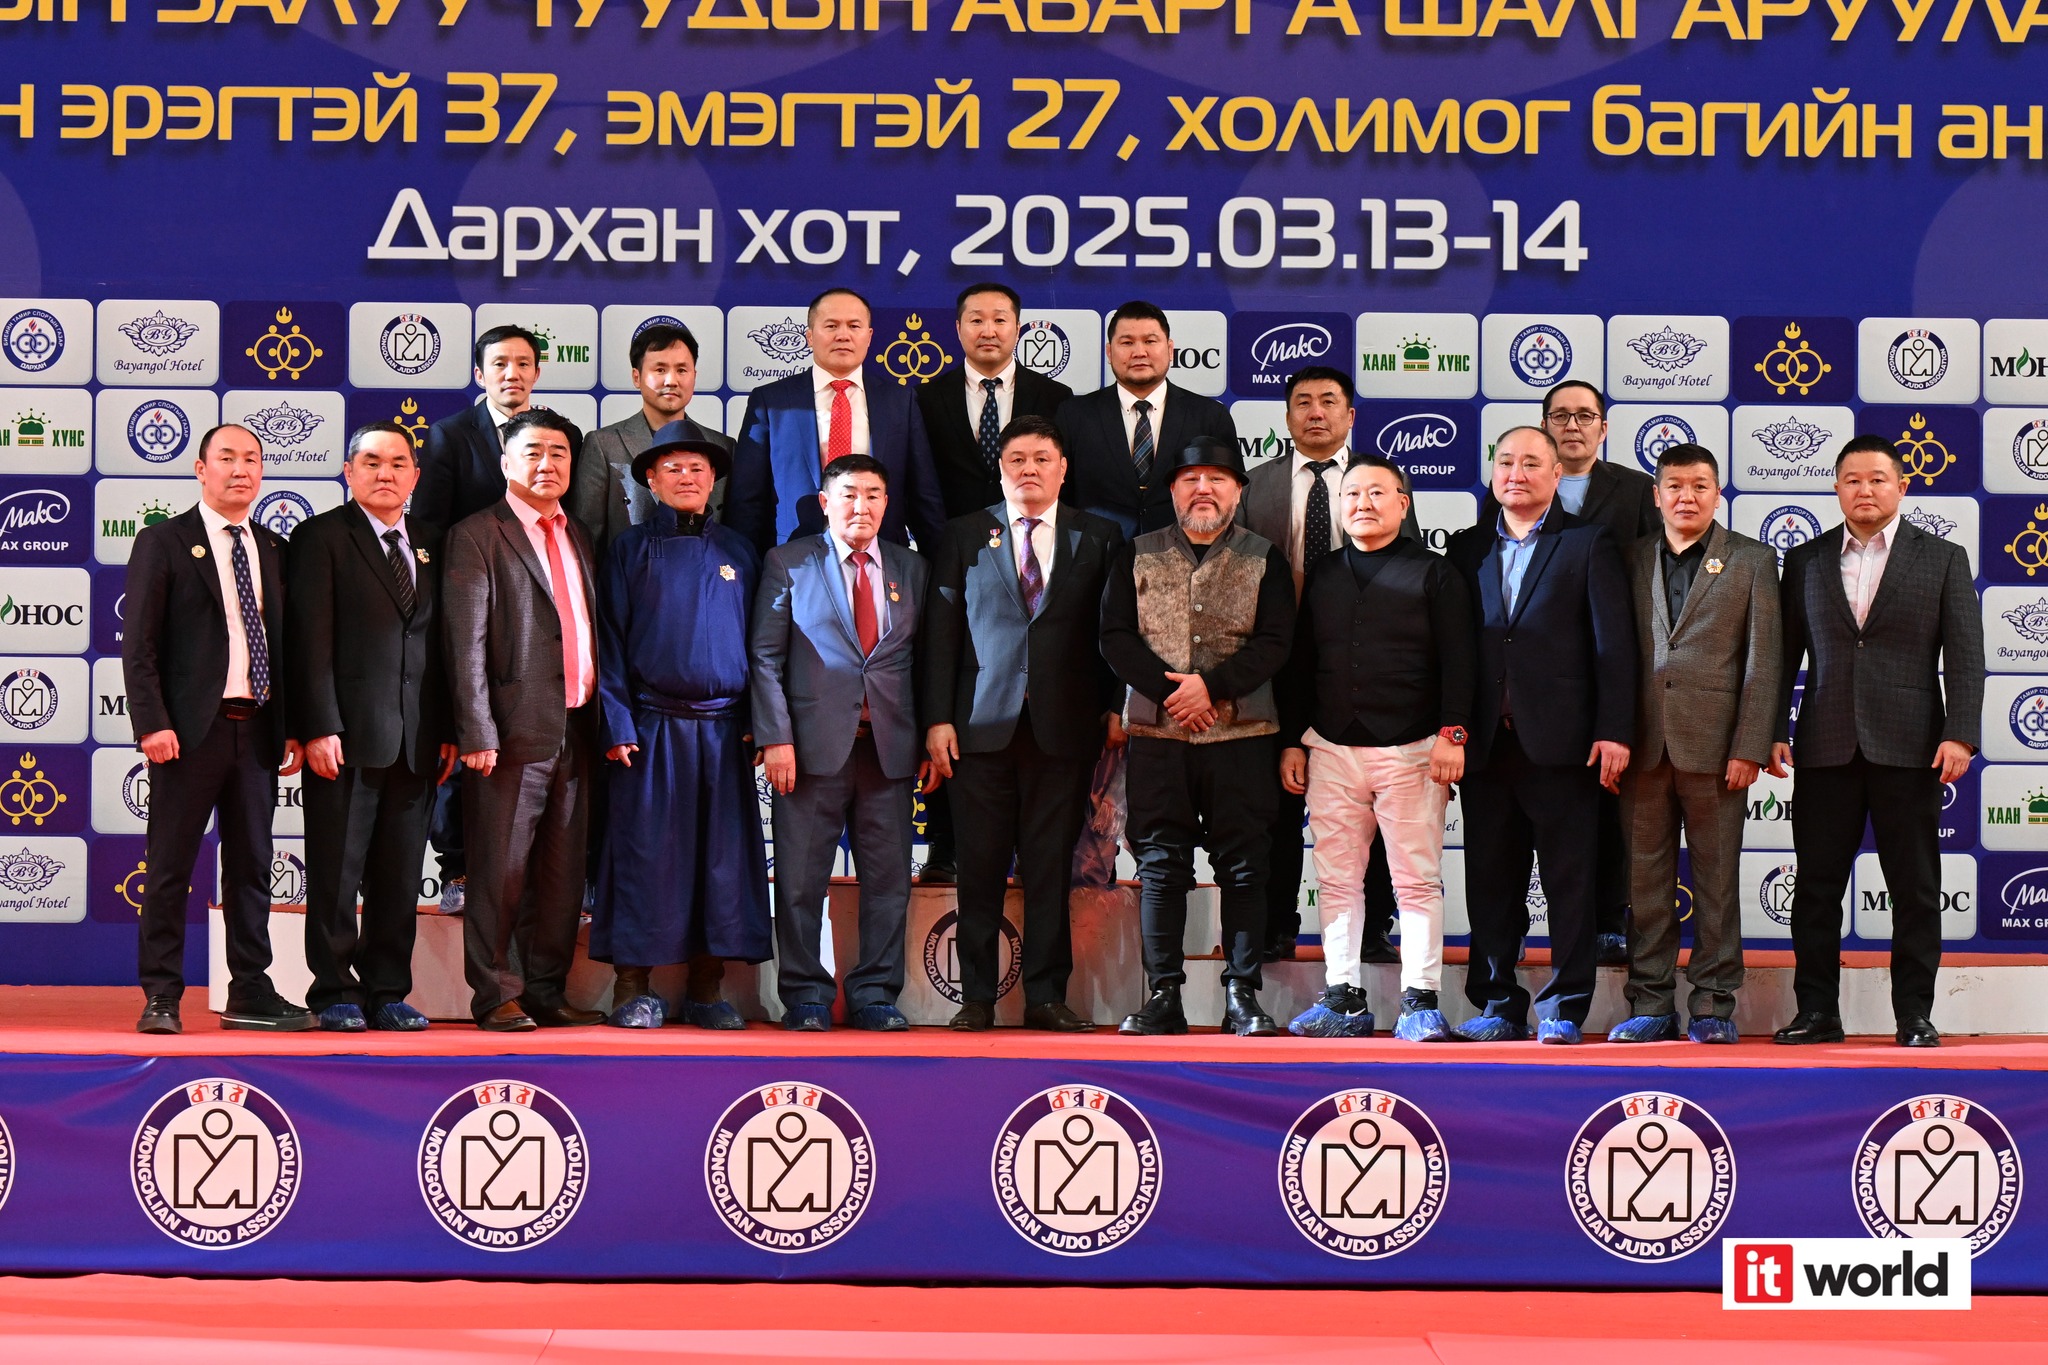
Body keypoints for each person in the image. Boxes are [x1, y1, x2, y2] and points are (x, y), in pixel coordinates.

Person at [1771, 435, 1983, 1048]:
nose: (1865, 490)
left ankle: (1914, 1015)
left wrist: (1961, 734)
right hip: (1825, 745)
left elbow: (1966, 656)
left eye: (1877, 479)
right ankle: (1817, 1013)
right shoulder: (1805, 559)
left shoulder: (1942, 557)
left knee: (1914, 889)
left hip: (1911, 747)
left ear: (1901, 487)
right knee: (1815, 889)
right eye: (1852, 480)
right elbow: (1782, 657)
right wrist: (1772, 731)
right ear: (1837, 488)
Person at [920, 415, 1123, 1032]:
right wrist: (937, 719)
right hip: (979, 728)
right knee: (978, 867)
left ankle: (1046, 996)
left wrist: (1116, 706)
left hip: (1064, 730)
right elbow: (941, 633)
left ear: (1063, 469)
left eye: (1041, 459)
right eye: (1017, 460)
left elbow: (1114, 632)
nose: (1029, 469)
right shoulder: (964, 534)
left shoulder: (1099, 536)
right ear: (1001, 469)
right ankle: (976, 997)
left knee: (1049, 869)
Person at [1444, 426, 1636, 1044]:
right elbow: (1455, 651)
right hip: (1486, 745)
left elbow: (1614, 647)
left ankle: (1564, 1007)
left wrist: (1614, 729)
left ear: (1557, 475)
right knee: (1490, 882)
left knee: (1569, 883)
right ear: (1492, 472)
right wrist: (1450, 731)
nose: (1516, 473)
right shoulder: (1467, 547)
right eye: (1505, 461)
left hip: (1564, 744)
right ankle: (1497, 1004)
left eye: (1531, 463)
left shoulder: (1587, 542)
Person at [1101, 436, 1295, 1037]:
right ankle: (1164, 995)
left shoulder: (1266, 557)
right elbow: (1115, 637)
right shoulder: (1136, 553)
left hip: (1243, 736)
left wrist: (1210, 688)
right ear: (1173, 491)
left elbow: (1276, 642)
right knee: (1161, 866)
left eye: (1217, 479)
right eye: (1190, 479)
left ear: (1238, 491)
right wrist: (1172, 695)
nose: (1203, 489)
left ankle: (1242, 994)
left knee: (1245, 866)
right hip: (1158, 736)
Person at [1279, 456, 1475, 1041]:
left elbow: (1461, 660)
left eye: (1376, 493)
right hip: (1330, 748)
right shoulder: (1323, 572)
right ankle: (1342, 997)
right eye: (1352, 494)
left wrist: (1453, 734)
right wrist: (1293, 740)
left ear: (1402, 503)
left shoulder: (1435, 573)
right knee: (1337, 879)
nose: (1362, 503)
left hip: (1413, 749)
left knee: (1416, 880)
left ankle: (1421, 1000)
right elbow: (1302, 664)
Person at [123, 423, 310, 1034]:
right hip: (188, 734)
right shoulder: (164, 541)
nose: (240, 469)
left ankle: (250, 989)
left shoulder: (275, 547)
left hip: (256, 731)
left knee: (253, 867)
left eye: (252, 459)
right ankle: (161, 995)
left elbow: (285, 648)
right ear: (201, 469)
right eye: (226, 458)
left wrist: (290, 725)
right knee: (170, 868)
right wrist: (152, 723)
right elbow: (139, 644)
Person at [592, 425, 770, 1030]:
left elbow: (762, 647)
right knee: (645, 856)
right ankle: (631, 986)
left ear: (714, 478)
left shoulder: (741, 551)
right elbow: (608, 644)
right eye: (673, 468)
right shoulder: (629, 550)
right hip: (651, 729)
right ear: (650, 479)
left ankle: (706, 987)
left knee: (720, 863)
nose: (687, 477)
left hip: (724, 731)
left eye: (697, 467)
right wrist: (617, 721)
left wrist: (757, 722)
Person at [1237, 365, 1416, 965]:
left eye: (1329, 402)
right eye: (1303, 402)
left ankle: (1373, 927)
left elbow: (1407, 568)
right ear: (1287, 416)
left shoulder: (1380, 482)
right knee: (1276, 802)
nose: (1316, 412)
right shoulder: (1255, 485)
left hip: (1360, 667)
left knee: (1374, 805)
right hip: (1273, 664)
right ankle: (1274, 925)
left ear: (1350, 415)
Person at [285, 422, 458, 1033]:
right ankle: (333, 989)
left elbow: (442, 647)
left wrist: (448, 729)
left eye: (398, 463)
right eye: (372, 462)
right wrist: (318, 726)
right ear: (348, 471)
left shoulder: (433, 542)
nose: (386, 473)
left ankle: (387, 989)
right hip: (345, 738)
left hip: (417, 740)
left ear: (415, 475)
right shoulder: (321, 537)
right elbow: (308, 642)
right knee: (336, 873)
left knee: (399, 876)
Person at [749, 455, 931, 1032]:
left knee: (889, 883)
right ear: (826, 503)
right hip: (809, 752)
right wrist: (776, 737)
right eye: (850, 494)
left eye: (874, 494)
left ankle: (875, 994)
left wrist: (928, 735)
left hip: (889, 750)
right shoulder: (789, 562)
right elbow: (765, 657)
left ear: (887, 503)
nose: (862, 506)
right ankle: (806, 995)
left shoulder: (911, 567)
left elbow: (925, 659)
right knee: (800, 883)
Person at [1480, 379, 1658, 964]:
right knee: (1500, 862)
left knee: (1599, 832)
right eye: (1560, 415)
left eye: (1585, 415)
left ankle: (1607, 926)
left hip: (1593, 687)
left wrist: (1616, 718)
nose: (1573, 425)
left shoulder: (1634, 492)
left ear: (1603, 428)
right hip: (1511, 711)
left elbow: (1642, 592)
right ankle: (1501, 976)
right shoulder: (1498, 506)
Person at [1608, 445, 1780, 1045]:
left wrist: (1750, 744)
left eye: (1700, 485)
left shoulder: (1752, 559)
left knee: (1716, 882)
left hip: (1718, 750)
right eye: (1675, 486)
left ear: (1717, 493)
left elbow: (1764, 660)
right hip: (1641, 748)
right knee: (1644, 884)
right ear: (1656, 495)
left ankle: (1713, 1004)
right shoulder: (1629, 557)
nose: (1687, 496)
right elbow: (1611, 654)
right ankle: (1651, 1002)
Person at [442, 410, 606, 1031]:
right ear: (506, 461)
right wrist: (477, 730)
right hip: (510, 733)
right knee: (500, 872)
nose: (548, 464)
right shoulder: (477, 533)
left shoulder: (578, 533)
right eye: (533, 452)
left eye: (559, 453)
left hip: (578, 727)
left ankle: (544, 988)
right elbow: (465, 644)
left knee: (561, 875)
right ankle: (494, 994)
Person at [414, 324, 583, 916]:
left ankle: (534, 875)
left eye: (523, 363)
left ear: (537, 372)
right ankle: (456, 868)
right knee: (466, 738)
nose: (513, 373)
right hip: (468, 603)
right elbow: (429, 528)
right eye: (500, 364)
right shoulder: (449, 435)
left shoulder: (558, 434)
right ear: (480, 374)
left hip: (535, 617)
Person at [914, 282, 1076, 884]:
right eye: (976, 319)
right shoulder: (924, 398)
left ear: (1018, 329)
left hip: (1035, 563)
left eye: (1001, 319)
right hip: (952, 562)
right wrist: (940, 549)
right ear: (958, 329)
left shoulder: (1055, 398)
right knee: (954, 698)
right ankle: (945, 845)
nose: (989, 330)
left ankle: (1035, 853)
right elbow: (917, 482)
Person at [725, 288, 947, 556]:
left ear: (869, 336)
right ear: (809, 336)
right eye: (831, 326)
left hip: (882, 556)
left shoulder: (900, 400)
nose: (843, 335)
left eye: (854, 326)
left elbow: (923, 495)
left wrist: (939, 565)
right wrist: (745, 566)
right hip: (795, 558)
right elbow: (747, 498)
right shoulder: (772, 401)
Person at [1057, 302, 1236, 538]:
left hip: (1185, 551)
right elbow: (1060, 495)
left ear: (1170, 349)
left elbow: (1230, 498)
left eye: (1150, 341)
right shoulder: (1074, 415)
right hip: (1097, 552)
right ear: (1109, 352)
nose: (1139, 352)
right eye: (1127, 342)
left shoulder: (1210, 416)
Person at [567, 322, 734, 554]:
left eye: (682, 370)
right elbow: (586, 537)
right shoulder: (604, 445)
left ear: (694, 376)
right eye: (660, 370)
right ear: (637, 377)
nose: (671, 381)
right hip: (629, 573)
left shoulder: (722, 446)